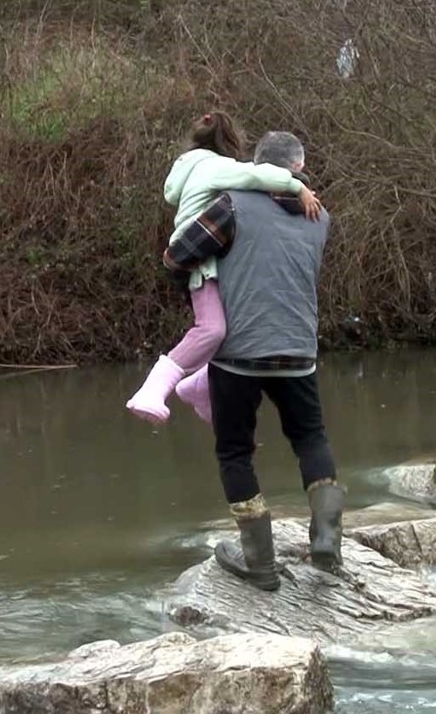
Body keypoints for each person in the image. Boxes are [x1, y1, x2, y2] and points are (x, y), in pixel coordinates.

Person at [165, 131, 343, 591]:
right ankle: (326, 547)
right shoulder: (320, 216)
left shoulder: (231, 205)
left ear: (257, 169)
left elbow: (177, 257)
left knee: (234, 452)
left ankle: (259, 562)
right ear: (299, 171)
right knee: (310, 438)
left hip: (238, 354)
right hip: (300, 350)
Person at [125, 112, 322, 425]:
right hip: (201, 258)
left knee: (234, 326)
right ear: (229, 144)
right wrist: (296, 187)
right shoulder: (216, 167)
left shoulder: (189, 168)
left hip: (206, 258)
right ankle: (152, 389)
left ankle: (199, 387)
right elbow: (257, 176)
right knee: (212, 328)